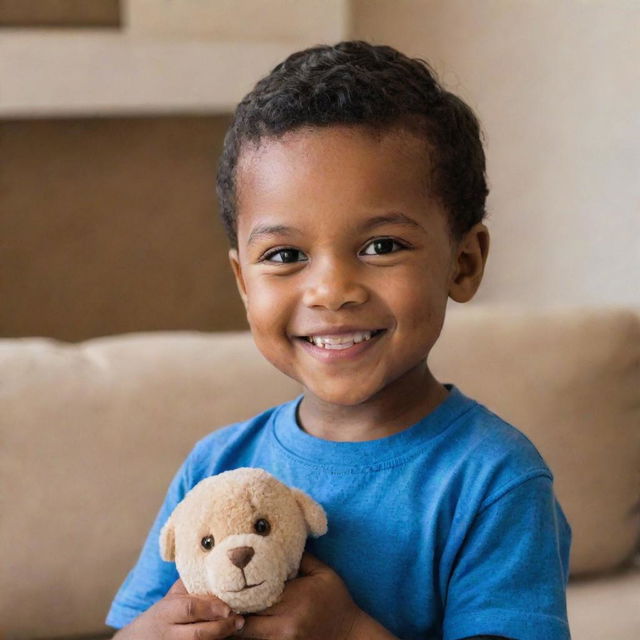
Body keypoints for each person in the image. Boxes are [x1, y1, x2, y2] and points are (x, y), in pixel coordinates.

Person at [106, 40, 572, 640]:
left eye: (382, 246)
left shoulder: (493, 480)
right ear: (243, 282)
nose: (331, 291)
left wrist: (348, 631)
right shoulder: (213, 467)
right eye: (285, 255)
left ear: (463, 263)